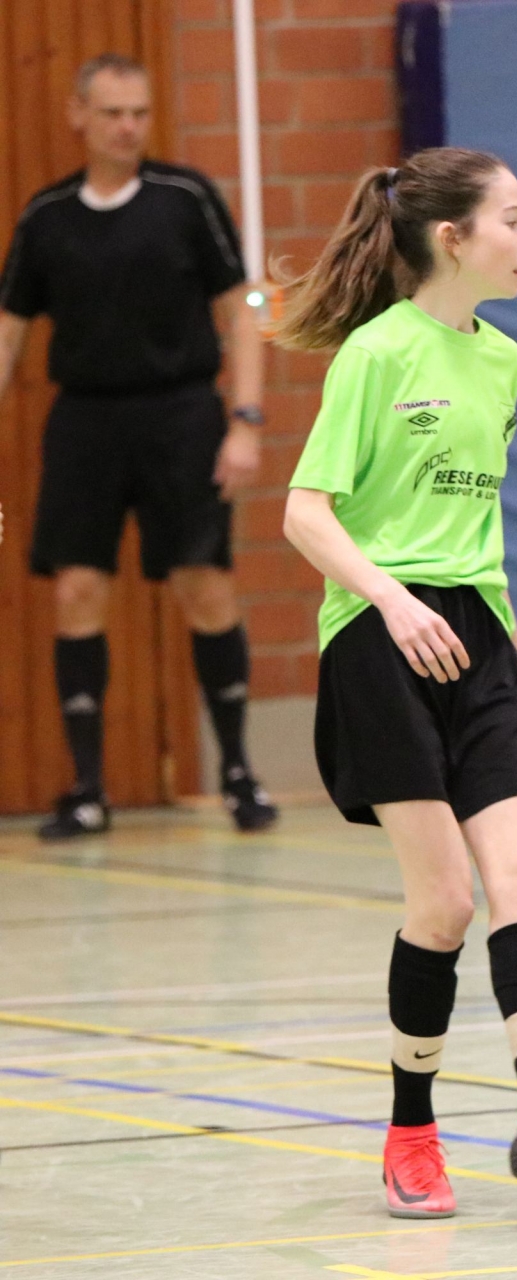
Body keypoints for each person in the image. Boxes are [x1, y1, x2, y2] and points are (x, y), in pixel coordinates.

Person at [277, 147, 517, 1219]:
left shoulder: (502, 359)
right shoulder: (376, 353)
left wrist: (504, 622)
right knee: (445, 901)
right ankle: (411, 1133)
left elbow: (474, 509)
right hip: (382, 634)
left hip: (478, 634)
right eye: (512, 219)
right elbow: (306, 512)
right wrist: (392, 600)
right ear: (451, 237)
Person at [0, 53, 277, 839]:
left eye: (140, 113)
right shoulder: (46, 216)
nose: (128, 128)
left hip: (182, 416)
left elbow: (242, 309)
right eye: (113, 113)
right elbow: (10, 331)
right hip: (85, 422)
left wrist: (246, 420)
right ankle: (87, 790)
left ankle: (237, 772)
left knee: (204, 585)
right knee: (77, 590)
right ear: (78, 116)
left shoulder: (186, 199)